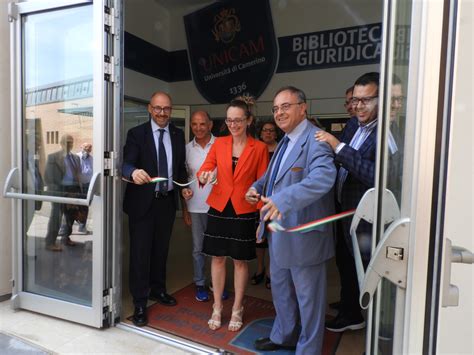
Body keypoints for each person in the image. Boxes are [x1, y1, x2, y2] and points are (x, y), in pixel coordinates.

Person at [247, 86, 337, 353]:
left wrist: (283, 200)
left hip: (304, 235)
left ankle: (308, 348)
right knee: (281, 290)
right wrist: (256, 187)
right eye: (275, 108)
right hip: (279, 231)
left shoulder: (317, 139)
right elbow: (272, 179)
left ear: (303, 107)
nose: (279, 112)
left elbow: (322, 179)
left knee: (309, 299)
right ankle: (283, 335)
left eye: (285, 106)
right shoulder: (285, 140)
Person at [315, 72, 386, 333]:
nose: (358, 106)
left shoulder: (385, 133)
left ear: (382, 99)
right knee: (345, 262)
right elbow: (338, 161)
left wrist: (337, 146)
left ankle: (372, 323)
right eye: (355, 100)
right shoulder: (354, 125)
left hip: (364, 216)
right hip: (342, 209)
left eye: (365, 100)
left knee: (365, 268)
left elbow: (375, 176)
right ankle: (350, 309)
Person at [122, 91, 192, 327]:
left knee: (161, 251)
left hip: (166, 202)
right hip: (142, 203)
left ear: (171, 111)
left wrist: (183, 188)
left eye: (167, 109)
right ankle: (140, 302)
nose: (162, 113)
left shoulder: (177, 133)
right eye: (158, 108)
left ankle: (157, 290)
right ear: (150, 109)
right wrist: (132, 172)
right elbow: (126, 163)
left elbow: (179, 168)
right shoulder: (136, 134)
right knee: (140, 254)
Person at [198, 98, 269, 332]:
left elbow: (263, 181)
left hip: (244, 209)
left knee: (240, 261)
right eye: (229, 120)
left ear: (248, 120)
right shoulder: (219, 144)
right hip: (219, 207)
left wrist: (258, 204)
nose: (233, 124)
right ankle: (217, 306)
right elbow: (205, 168)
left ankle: (237, 307)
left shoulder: (258, 147)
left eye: (238, 120)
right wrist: (204, 176)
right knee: (217, 258)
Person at [182, 110, 215, 302]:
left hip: (217, 207)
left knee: (216, 249)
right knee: (198, 249)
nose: (198, 128)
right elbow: (184, 181)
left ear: (210, 125)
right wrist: (185, 209)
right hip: (195, 207)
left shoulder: (221, 145)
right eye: (194, 124)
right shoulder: (186, 149)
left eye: (202, 124)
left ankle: (214, 284)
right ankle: (200, 283)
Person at [251, 121, 279, 289]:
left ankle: (270, 271)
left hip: (276, 200)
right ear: (260, 133)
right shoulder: (255, 149)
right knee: (259, 238)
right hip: (259, 199)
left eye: (271, 131)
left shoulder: (281, 150)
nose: (268, 133)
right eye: (265, 130)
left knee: (273, 238)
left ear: (276, 133)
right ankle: (260, 268)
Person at [44, 134, 82, 251]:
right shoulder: (53, 157)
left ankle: (66, 238)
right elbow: (48, 178)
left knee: (70, 216)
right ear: (61, 143)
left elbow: (78, 175)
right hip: (59, 191)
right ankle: (50, 242)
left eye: (71, 142)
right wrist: (63, 193)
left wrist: (77, 191)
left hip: (73, 190)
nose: (69, 144)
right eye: (66, 142)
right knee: (56, 216)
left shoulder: (76, 158)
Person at [77, 142, 93, 234]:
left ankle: (82, 227)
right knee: (72, 206)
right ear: (81, 147)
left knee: (85, 206)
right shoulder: (76, 157)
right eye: (86, 146)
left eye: (90, 147)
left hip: (87, 185)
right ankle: (63, 229)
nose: (88, 148)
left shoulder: (92, 158)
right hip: (77, 185)